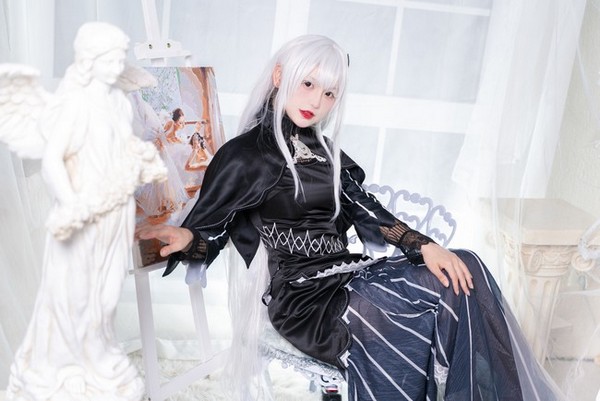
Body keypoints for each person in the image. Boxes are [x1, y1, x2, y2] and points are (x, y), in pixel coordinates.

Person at [136, 35, 564, 400]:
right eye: (308, 84)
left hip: (347, 276)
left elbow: (367, 209)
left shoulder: (325, 152)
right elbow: (214, 229)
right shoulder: (246, 155)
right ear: (280, 76)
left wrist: (425, 245)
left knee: (465, 265)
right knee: (420, 296)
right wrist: (187, 238)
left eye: (329, 93)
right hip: (304, 301)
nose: (316, 101)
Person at [5, 22, 165, 401]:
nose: (116, 66)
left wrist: (140, 159)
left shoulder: (117, 102)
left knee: (106, 293)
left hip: (115, 211)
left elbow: (119, 147)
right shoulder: (75, 103)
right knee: (75, 292)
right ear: (89, 60)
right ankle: (69, 365)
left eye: (119, 59)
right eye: (109, 59)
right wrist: (72, 202)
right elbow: (52, 161)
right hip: (84, 212)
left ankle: (95, 357)